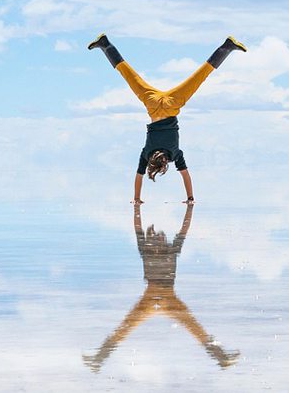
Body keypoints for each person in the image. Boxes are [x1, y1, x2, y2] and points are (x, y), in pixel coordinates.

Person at [88, 34, 246, 203]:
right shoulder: (146, 154)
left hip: (172, 104)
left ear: (163, 164)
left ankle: (228, 46)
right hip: (152, 103)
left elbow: (185, 175)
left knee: (201, 75)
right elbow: (139, 176)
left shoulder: (174, 154)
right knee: (128, 74)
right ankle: (105, 44)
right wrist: (136, 198)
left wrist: (190, 198)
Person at [82, 203, 240, 371]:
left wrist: (189, 208)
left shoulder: (166, 248)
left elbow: (181, 229)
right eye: (160, 236)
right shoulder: (151, 248)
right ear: (154, 238)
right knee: (128, 327)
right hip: (154, 297)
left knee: (193, 328)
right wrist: (136, 206)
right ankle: (99, 359)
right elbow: (141, 227)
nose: (162, 237)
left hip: (164, 296)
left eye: (162, 236)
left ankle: (221, 358)